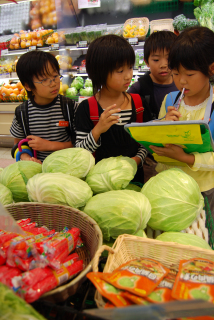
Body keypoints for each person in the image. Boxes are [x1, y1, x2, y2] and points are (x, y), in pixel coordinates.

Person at [149, 26, 214, 215]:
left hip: (202, 189)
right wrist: (162, 125)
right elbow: (156, 143)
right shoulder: (170, 99)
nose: (181, 81)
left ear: (211, 69)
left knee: (200, 239)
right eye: (176, 73)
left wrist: (185, 158)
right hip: (167, 183)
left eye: (189, 74)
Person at [75, 34, 153, 183]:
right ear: (100, 72)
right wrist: (97, 130)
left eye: (130, 67)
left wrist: (136, 160)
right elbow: (80, 152)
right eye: (120, 71)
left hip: (135, 179)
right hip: (100, 183)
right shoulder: (86, 108)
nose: (128, 75)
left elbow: (147, 142)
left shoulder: (139, 104)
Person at [10, 51, 77, 164]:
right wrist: (27, 159)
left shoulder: (69, 106)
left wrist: (49, 145)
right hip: (38, 171)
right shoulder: (22, 113)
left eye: (55, 76)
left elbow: (80, 142)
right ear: (28, 86)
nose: (53, 83)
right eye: (44, 80)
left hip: (68, 167)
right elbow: (18, 145)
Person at [127, 30, 177, 119]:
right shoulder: (139, 88)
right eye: (156, 60)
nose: (163, 65)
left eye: (169, 58)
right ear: (146, 62)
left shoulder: (182, 84)